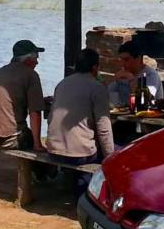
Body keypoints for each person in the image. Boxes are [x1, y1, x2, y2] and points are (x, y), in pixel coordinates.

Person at [46, 48, 114, 196]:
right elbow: (104, 128)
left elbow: (51, 117)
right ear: (95, 67)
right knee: (120, 149)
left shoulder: (62, 84)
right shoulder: (97, 87)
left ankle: (73, 183)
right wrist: (111, 157)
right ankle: (87, 192)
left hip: (53, 151)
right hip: (79, 155)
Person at [0, 39, 46, 152]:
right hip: (8, 140)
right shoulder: (31, 75)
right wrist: (37, 144)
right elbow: (35, 112)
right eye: (36, 57)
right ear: (28, 58)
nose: (37, 62)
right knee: (30, 138)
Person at [108, 41, 164, 107]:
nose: (122, 63)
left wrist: (131, 80)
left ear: (138, 59)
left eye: (126, 59)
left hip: (148, 115)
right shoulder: (123, 74)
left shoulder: (151, 75)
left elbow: (146, 100)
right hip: (126, 114)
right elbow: (111, 99)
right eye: (121, 59)